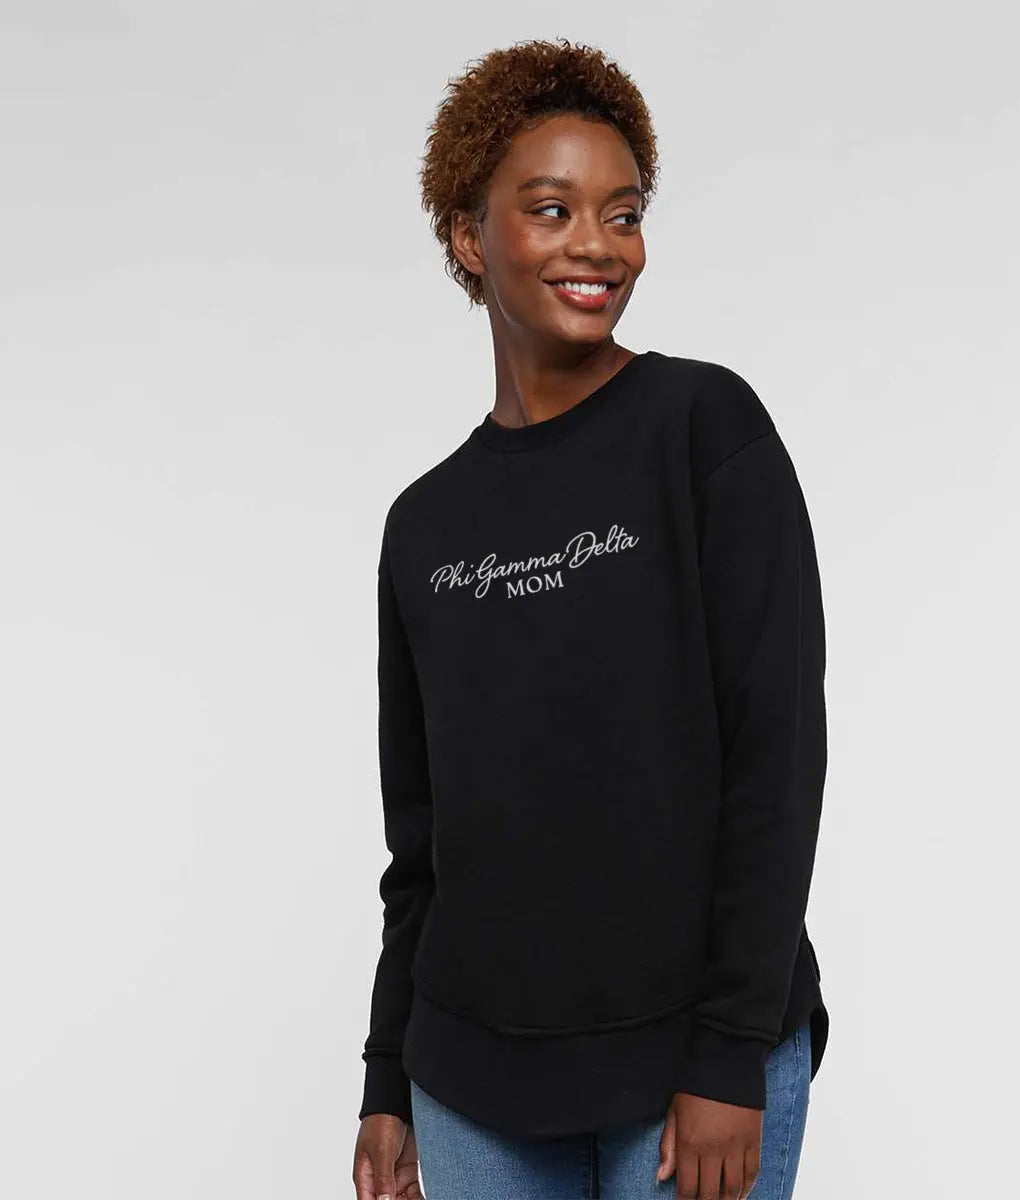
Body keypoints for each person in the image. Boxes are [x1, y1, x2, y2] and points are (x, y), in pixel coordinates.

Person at [351, 37, 830, 1200]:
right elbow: (425, 842)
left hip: (688, 1066)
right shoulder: (425, 525)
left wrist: (730, 1052)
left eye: (623, 214)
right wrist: (386, 1081)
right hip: (469, 1084)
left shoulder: (704, 430)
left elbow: (776, 760)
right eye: (552, 209)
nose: (598, 245)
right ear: (470, 238)